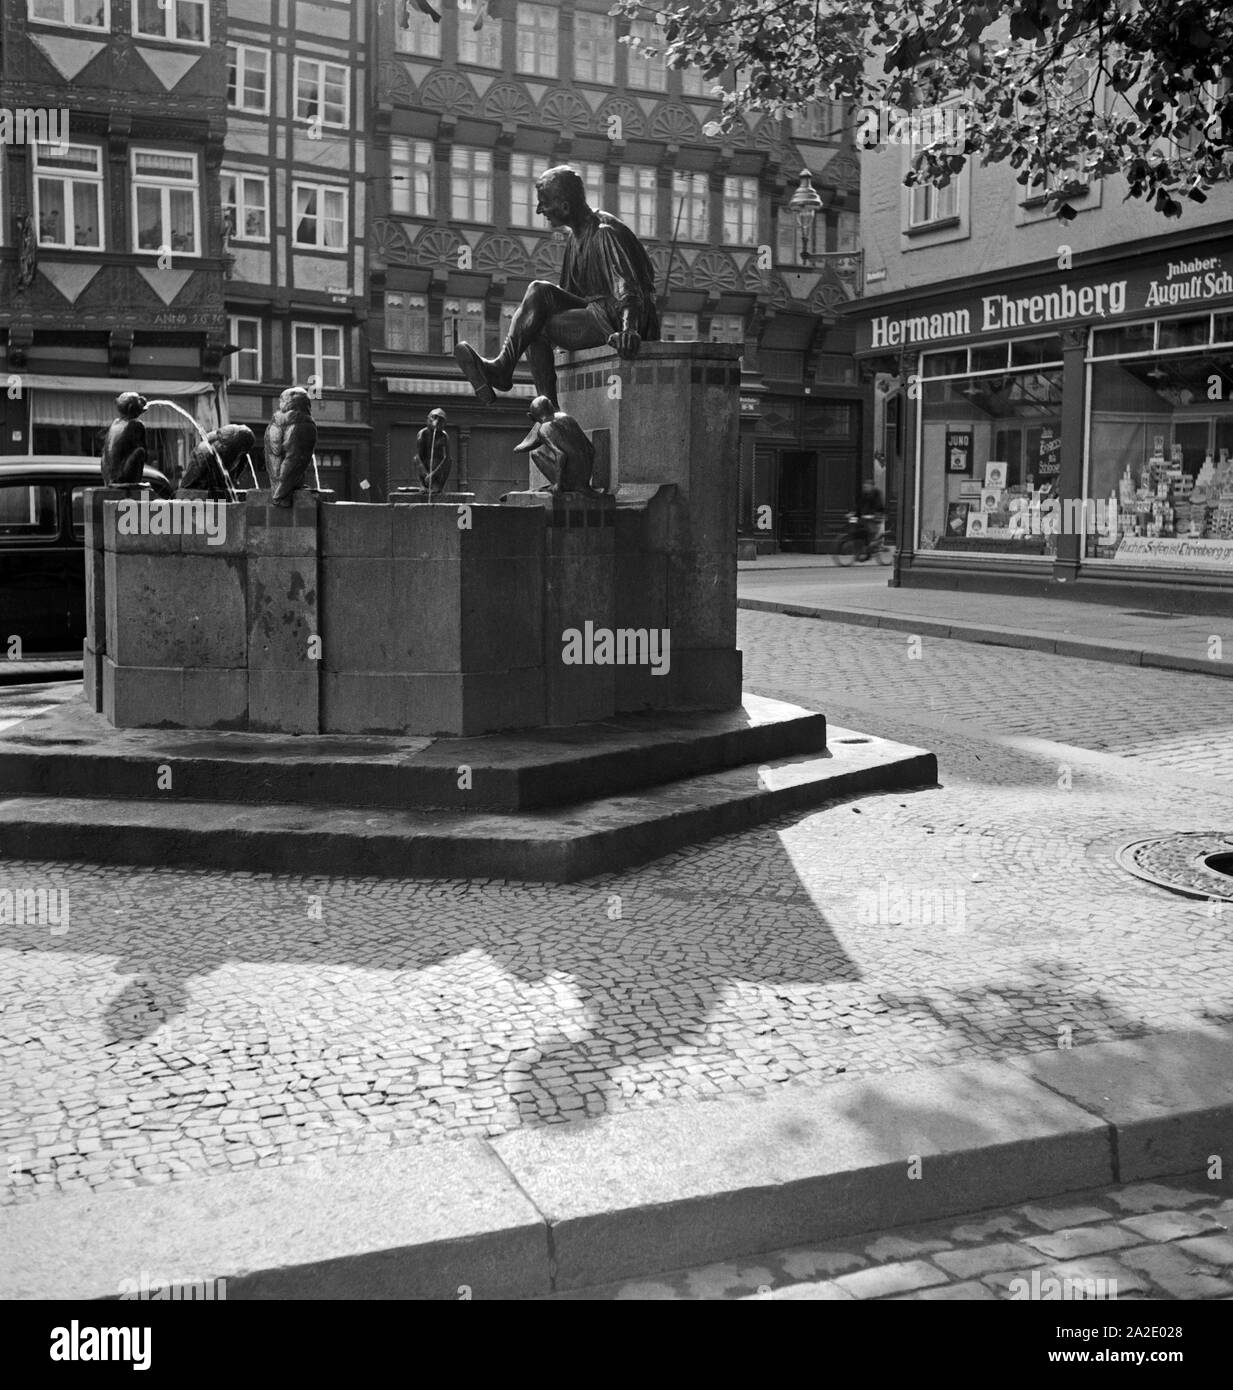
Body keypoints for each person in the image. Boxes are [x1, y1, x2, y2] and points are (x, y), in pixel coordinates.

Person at [453, 164, 660, 409]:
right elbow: (566, 295)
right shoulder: (575, 238)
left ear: (564, 205)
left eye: (544, 202)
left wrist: (629, 329)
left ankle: (542, 406)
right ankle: (505, 371)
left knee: (535, 324)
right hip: (596, 311)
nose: (540, 210)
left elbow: (629, 290)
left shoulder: (605, 232)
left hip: (615, 321)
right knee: (538, 293)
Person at [857, 479, 886, 554]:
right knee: (862, 528)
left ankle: (877, 545)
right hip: (866, 515)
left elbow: (879, 505)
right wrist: (855, 513)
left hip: (876, 514)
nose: (866, 488)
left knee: (872, 529)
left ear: (872, 486)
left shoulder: (876, 493)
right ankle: (866, 546)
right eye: (865, 487)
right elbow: (860, 505)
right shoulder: (864, 494)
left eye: (867, 486)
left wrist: (873, 514)